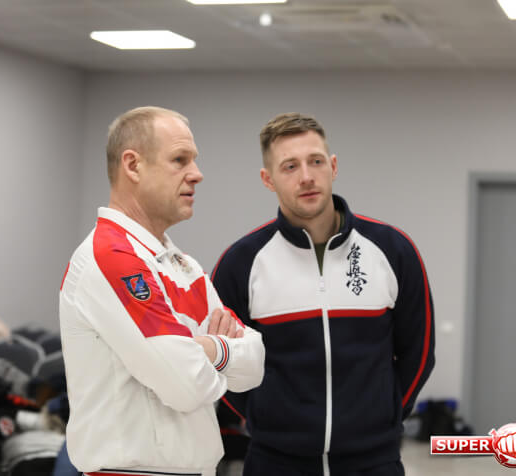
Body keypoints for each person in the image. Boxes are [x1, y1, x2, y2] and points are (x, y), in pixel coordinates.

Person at [211, 112, 436, 475]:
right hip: (275, 462)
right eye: (290, 166)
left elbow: (419, 351)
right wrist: (264, 417)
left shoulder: (392, 250)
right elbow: (225, 364)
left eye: (315, 161)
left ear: (333, 166)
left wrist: (388, 413)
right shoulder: (241, 263)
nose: (306, 176)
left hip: (374, 461)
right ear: (268, 179)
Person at [59, 106, 265, 476]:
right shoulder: (112, 257)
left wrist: (208, 349)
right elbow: (185, 385)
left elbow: (255, 363)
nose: (197, 174)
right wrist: (221, 355)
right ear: (133, 166)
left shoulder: (182, 265)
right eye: (179, 160)